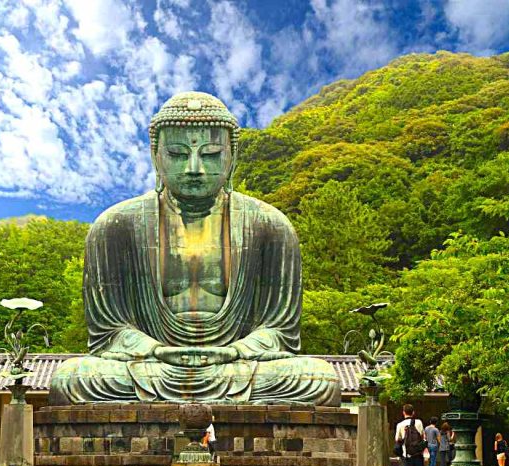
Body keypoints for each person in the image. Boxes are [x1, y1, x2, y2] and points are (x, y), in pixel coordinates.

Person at [48, 92, 341, 407]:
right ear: (155, 157)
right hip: (150, 365)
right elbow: (110, 331)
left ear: (232, 158)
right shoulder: (116, 225)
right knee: (72, 379)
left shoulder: (269, 225)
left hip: (237, 365)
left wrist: (236, 351)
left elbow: (278, 330)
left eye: (211, 153)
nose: (194, 168)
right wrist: (155, 350)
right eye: (177, 153)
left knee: (318, 380)